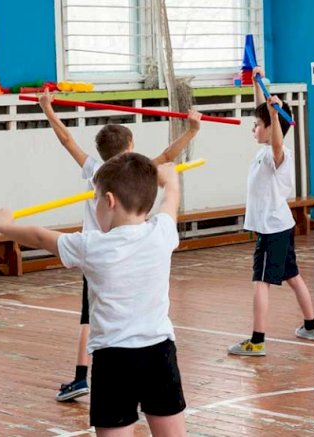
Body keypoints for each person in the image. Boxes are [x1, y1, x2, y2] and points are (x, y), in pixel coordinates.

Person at [0, 153, 187, 437]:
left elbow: (40, 237)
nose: (94, 205)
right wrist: (171, 180)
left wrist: (5, 226)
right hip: (159, 353)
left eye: (95, 199)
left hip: (114, 360)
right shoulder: (162, 232)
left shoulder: (91, 246)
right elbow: (170, 201)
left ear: (109, 200)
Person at [38, 90, 201, 401]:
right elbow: (168, 155)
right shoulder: (137, 169)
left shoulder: (96, 171)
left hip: (97, 254)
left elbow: (67, 141)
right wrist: (192, 130)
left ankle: (80, 377)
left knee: (89, 317)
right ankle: (89, 375)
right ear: (130, 147)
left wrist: (47, 108)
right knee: (101, 315)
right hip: (129, 251)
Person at [228, 66, 314, 357]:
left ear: (271, 127)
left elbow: (277, 138)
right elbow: (265, 113)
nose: (253, 128)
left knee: (261, 282)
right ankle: (310, 326)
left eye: (257, 125)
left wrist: (273, 115)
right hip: (279, 226)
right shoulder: (265, 151)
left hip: (272, 230)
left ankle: (257, 341)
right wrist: (257, 82)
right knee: (292, 275)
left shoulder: (277, 155)